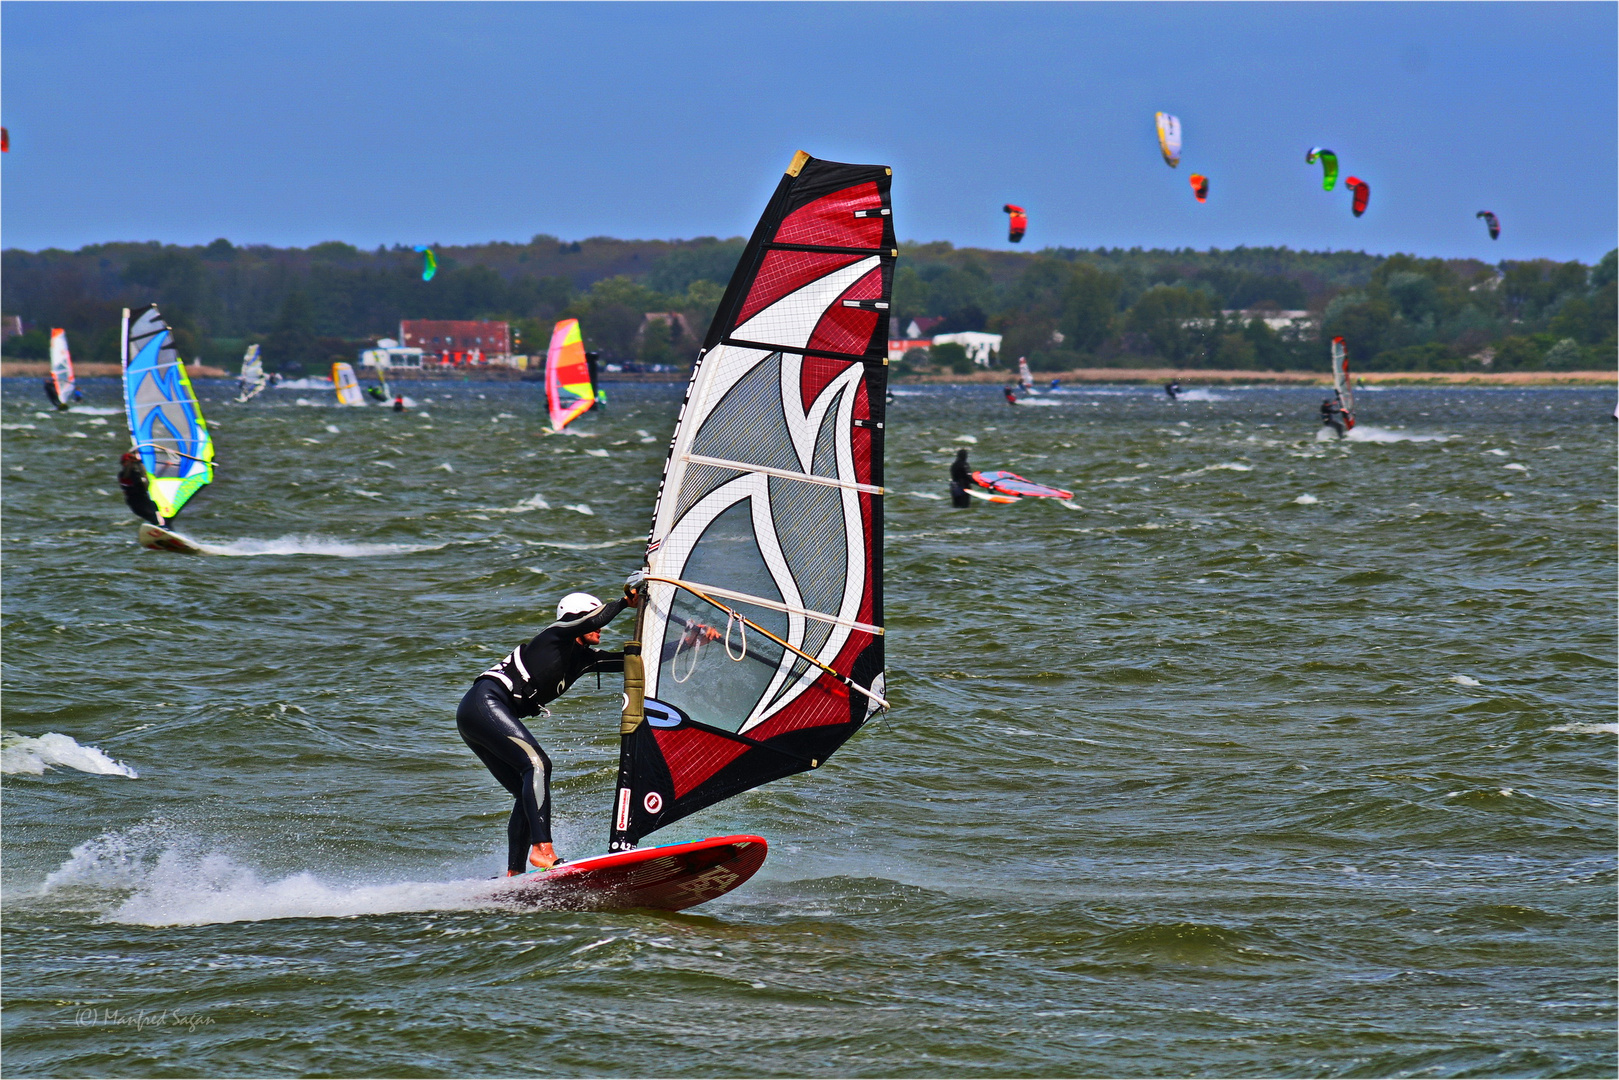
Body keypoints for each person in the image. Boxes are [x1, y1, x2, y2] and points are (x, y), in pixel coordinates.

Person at [457, 577, 643, 875]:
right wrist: (624, 603)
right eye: (592, 621)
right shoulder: (555, 635)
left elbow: (633, 661)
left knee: (525, 788)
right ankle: (542, 850)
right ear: (577, 620)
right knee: (538, 765)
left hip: (479, 715)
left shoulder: (581, 660)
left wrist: (689, 643)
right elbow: (591, 618)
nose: (599, 627)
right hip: (485, 703)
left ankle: (514, 873)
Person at [117, 451, 164, 526]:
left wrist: (139, 461)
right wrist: (133, 460)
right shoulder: (123, 475)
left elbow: (146, 480)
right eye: (125, 462)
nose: (125, 464)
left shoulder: (138, 472)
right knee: (149, 514)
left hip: (144, 498)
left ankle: (162, 525)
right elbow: (128, 474)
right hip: (135, 502)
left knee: (154, 505)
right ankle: (158, 526)